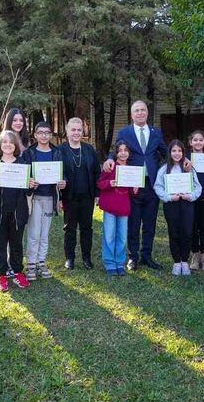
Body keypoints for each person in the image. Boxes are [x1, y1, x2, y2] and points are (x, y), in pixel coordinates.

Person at [103, 100, 168, 270]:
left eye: (143, 110)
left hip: (152, 185)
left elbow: (166, 152)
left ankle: (147, 255)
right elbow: (115, 149)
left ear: (147, 112)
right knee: (133, 222)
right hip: (132, 185)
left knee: (149, 223)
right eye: (136, 111)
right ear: (132, 115)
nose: (140, 113)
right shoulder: (125, 131)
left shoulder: (156, 132)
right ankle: (133, 257)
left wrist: (182, 162)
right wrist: (110, 158)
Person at [0, 130, 37, 291]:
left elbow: (27, 192)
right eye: (4, 142)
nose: (8, 145)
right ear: (0, 145)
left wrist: (31, 186)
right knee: (0, 244)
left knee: (16, 244)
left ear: (15, 146)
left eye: (11, 142)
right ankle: (2, 274)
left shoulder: (23, 165)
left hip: (17, 212)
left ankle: (17, 272)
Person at [0, 108, 28, 272]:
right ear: (8, 121)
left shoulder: (25, 143)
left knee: (15, 233)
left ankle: (13, 266)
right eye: (14, 120)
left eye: (21, 120)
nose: (18, 123)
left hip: (18, 199)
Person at [21, 121, 66, 280]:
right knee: (34, 233)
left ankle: (41, 262)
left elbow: (62, 174)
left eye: (47, 132)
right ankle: (31, 265)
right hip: (34, 198)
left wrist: (63, 182)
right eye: (40, 132)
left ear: (51, 134)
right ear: (35, 135)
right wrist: (29, 181)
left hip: (49, 198)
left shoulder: (57, 152)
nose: (44, 135)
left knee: (44, 233)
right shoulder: (29, 153)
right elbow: (23, 175)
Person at [154, 140, 202, 276]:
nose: (177, 153)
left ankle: (185, 261)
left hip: (187, 203)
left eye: (179, 151)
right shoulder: (164, 169)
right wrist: (169, 197)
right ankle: (176, 261)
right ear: (169, 153)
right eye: (174, 151)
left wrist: (190, 196)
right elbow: (158, 186)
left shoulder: (188, 168)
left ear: (183, 152)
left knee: (187, 232)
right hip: (171, 204)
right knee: (174, 232)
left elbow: (198, 186)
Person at [60, 117, 101, 269]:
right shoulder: (60, 150)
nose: (76, 133)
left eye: (79, 130)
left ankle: (86, 258)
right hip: (69, 197)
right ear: (67, 131)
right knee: (69, 228)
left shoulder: (89, 149)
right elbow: (59, 172)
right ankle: (69, 258)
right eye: (73, 130)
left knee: (86, 228)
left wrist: (97, 194)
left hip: (87, 196)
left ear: (82, 131)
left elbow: (97, 173)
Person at [97, 141, 137, 276]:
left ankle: (119, 262)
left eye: (126, 150)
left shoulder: (131, 169)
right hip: (110, 206)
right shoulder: (110, 166)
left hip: (124, 206)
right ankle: (109, 263)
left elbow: (131, 190)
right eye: (120, 150)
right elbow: (100, 183)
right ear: (116, 153)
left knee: (122, 236)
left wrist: (135, 189)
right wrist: (110, 183)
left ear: (129, 153)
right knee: (109, 235)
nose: (123, 153)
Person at [187, 130, 204, 271]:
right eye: (195, 140)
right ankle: (195, 255)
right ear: (190, 142)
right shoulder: (185, 158)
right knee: (192, 227)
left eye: (201, 140)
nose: (198, 142)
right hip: (190, 198)